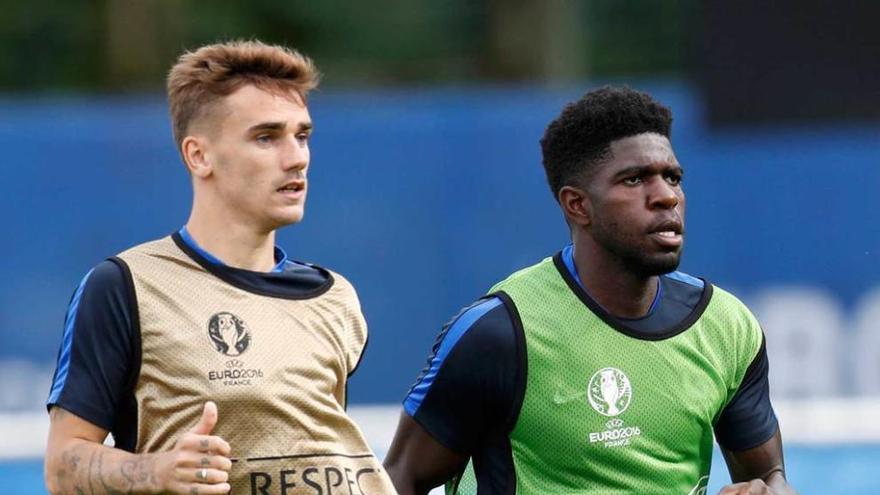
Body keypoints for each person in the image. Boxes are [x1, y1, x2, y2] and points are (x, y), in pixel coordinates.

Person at [383, 86, 797, 495]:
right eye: (635, 180)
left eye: (672, 177)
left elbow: (770, 477)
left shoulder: (726, 327)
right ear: (577, 205)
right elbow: (400, 480)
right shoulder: (501, 334)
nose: (667, 196)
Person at [44, 40, 397, 495]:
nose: (297, 157)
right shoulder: (126, 286)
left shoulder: (336, 298)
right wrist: (160, 472)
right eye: (266, 137)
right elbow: (62, 467)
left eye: (302, 135)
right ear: (199, 156)